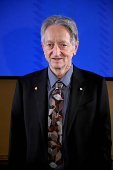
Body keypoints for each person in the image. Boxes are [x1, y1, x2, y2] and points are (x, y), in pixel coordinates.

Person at [8, 15, 112, 170]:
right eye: (50, 44)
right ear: (43, 47)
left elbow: (103, 140)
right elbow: (17, 139)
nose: (56, 52)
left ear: (75, 47)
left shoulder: (95, 84)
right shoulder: (25, 85)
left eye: (63, 45)